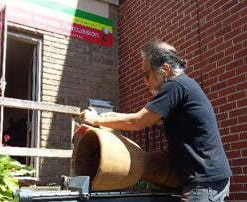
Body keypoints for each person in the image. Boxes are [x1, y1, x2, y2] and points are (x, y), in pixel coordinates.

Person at [79, 40, 232, 202]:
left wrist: (96, 121)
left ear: (165, 69)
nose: (145, 80)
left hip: (204, 182)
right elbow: (142, 116)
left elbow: (139, 121)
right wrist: (110, 116)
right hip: (205, 179)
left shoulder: (175, 86)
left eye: (147, 73)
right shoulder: (184, 85)